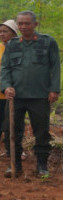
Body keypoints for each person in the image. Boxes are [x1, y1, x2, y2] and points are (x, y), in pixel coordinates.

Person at [0, 11, 61, 177]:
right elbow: (4, 68)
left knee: (41, 132)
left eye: (27, 23)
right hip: (15, 97)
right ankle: (15, 165)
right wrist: (6, 86)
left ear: (35, 24)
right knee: (12, 130)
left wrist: (54, 89)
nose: (23, 27)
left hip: (39, 96)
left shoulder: (48, 42)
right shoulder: (12, 44)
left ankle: (42, 165)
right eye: (20, 24)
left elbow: (55, 67)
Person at [0, 20, 19, 154]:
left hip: (13, 92)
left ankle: (11, 150)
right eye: (0, 32)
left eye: (5, 31)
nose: (1, 34)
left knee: (11, 123)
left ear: (14, 33)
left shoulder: (19, 48)